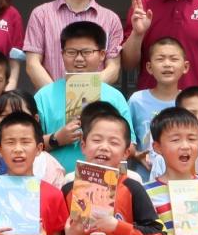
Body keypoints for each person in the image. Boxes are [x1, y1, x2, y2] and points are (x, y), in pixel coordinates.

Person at [61, 104, 167, 235]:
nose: (104, 147)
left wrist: (118, 226)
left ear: (126, 153)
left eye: (113, 142)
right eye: (97, 140)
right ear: (83, 146)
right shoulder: (67, 190)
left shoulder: (133, 188)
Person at [35, 22, 134, 173]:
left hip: (103, 180)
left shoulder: (114, 97)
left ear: (102, 55)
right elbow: (28, 144)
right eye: (71, 52)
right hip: (56, 181)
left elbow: (130, 146)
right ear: (62, 54)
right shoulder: (44, 95)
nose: (79, 58)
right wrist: (56, 139)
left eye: (87, 52)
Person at [24, 0, 123, 88]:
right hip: (52, 99)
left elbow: (113, 68)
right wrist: (57, 96)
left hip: (96, 101)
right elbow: (32, 64)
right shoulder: (41, 15)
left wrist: (84, 91)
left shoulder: (111, 19)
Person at [0, 111, 68, 235]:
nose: (18, 149)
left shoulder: (54, 195)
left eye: (25, 142)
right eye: (10, 142)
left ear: (39, 149)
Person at [142, 107, 198, 235]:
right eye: (175, 140)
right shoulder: (145, 193)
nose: (185, 146)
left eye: (192, 139)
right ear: (157, 147)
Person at [0, 91, 67, 189]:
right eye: (5, 116)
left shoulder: (50, 167)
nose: (14, 122)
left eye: (20, 115)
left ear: (36, 119)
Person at [128, 37, 189, 175]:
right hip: (145, 177)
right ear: (149, 67)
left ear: (185, 67)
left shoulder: (189, 102)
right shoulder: (137, 100)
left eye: (173, 59)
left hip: (182, 179)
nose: (167, 64)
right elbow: (125, 137)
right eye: (160, 59)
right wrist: (136, 154)